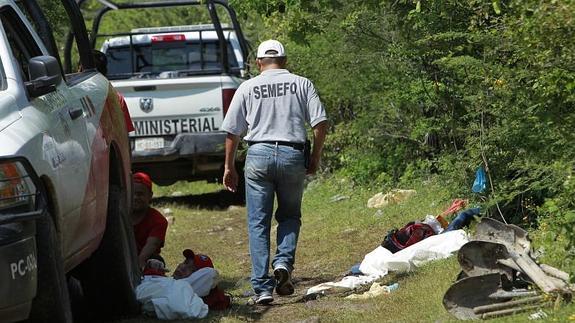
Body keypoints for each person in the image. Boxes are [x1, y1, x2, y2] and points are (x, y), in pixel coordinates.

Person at [221, 39, 328, 304]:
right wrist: (314, 156)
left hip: (258, 155)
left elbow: (233, 132)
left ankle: (262, 288)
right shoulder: (302, 83)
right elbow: (320, 123)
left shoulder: (247, 87)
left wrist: (229, 166)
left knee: (258, 222)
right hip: (293, 154)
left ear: (259, 62)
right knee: (290, 215)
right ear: (285, 60)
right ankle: (282, 264)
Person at [132, 172, 168, 269]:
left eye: (140, 194)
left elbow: (152, 244)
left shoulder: (159, 220)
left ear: (150, 195)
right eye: (132, 193)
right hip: (123, 256)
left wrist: (139, 263)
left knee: (156, 262)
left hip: (146, 258)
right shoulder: (120, 215)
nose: (135, 198)